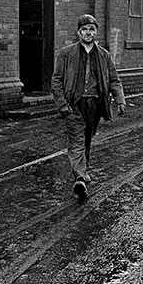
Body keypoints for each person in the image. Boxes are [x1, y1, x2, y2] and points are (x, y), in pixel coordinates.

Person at [51, 14, 126, 199]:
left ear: (96, 32)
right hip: (73, 105)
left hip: (95, 104)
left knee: (86, 139)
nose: (88, 32)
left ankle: (83, 172)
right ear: (78, 32)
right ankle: (80, 178)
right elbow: (56, 80)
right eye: (84, 29)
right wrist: (62, 104)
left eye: (91, 29)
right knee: (76, 140)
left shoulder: (104, 55)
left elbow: (114, 80)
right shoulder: (66, 54)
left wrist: (120, 99)